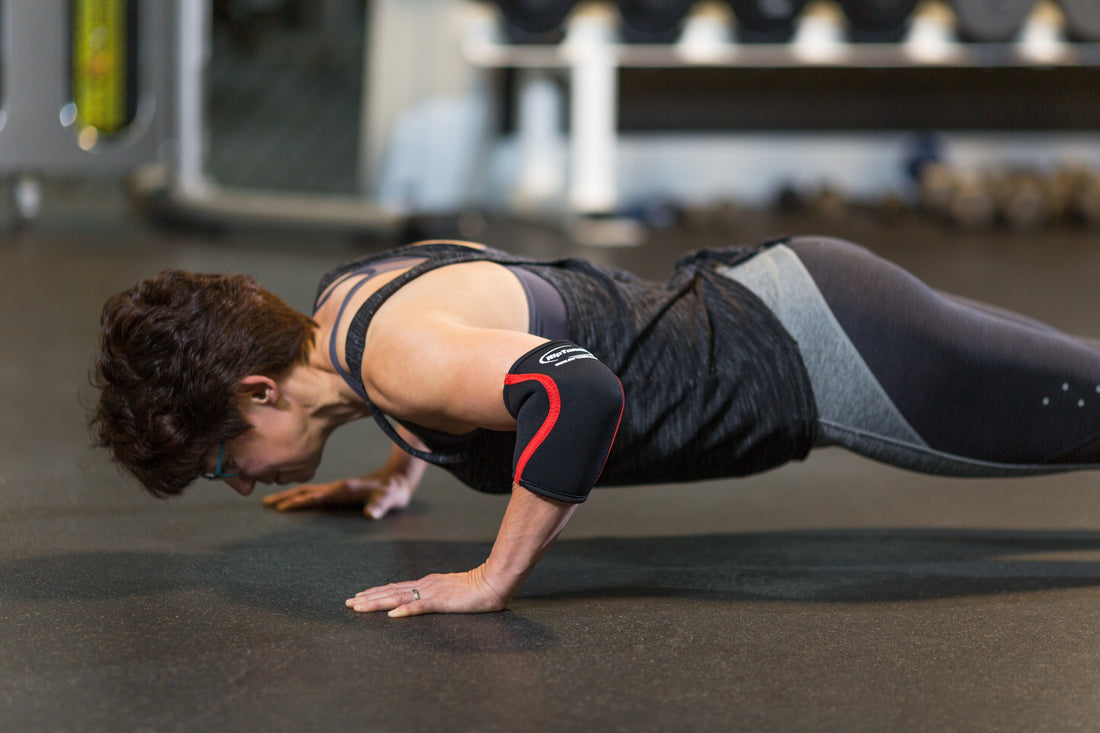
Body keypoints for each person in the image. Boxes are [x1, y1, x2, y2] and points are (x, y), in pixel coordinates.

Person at [91, 236, 1100, 617]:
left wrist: (491, 579)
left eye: (221, 460)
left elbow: (578, 391)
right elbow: (476, 336)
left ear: (260, 391)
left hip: (826, 358)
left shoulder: (395, 358)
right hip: (794, 291)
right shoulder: (349, 302)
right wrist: (401, 470)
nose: (239, 481)